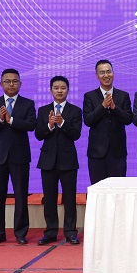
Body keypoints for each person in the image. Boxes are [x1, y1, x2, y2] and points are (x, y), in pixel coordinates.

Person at [0, 69, 37, 245]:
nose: (11, 84)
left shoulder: (28, 104)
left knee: (21, 196)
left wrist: (11, 120)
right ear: (1, 84)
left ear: (20, 83)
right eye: (7, 81)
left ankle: (20, 233)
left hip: (20, 157)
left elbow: (31, 125)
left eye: (15, 81)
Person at [34, 76, 82, 246]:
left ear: (68, 90)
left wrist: (62, 123)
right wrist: (49, 125)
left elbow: (76, 134)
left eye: (63, 88)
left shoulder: (75, 111)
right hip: (48, 161)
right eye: (56, 88)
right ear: (50, 90)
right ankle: (50, 232)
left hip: (68, 161)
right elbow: (38, 134)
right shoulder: (43, 110)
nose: (59, 90)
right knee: (49, 199)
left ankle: (70, 232)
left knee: (69, 199)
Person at [83, 59, 133, 184]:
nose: (106, 75)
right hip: (97, 153)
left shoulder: (123, 95)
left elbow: (128, 119)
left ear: (113, 73)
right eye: (102, 72)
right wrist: (103, 106)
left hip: (118, 152)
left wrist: (114, 108)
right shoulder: (90, 96)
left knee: (117, 189)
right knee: (98, 188)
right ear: (97, 75)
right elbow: (88, 120)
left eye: (109, 71)